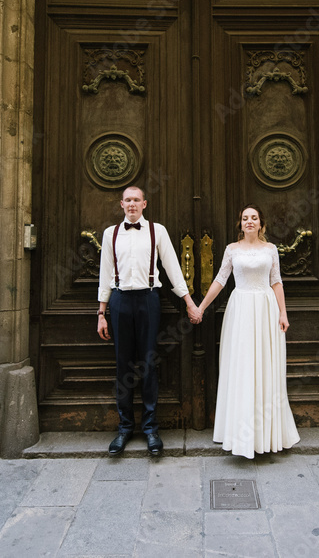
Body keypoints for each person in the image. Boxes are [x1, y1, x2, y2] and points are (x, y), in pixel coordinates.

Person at [190, 205, 300, 459]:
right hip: (240, 311)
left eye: (254, 218)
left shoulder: (270, 250)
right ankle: (240, 434)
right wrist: (201, 307)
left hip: (265, 310)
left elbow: (276, 281)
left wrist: (283, 313)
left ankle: (267, 434)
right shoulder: (232, 249)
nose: (249, 221)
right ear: (240, 224)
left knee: (265, 368)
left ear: (261, 223)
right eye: (245, 218)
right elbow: (220, 279)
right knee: (242, 368)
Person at [97, 185, 198, 456]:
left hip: (149, 300)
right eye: (127, 200)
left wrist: (188, 302)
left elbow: (173, 268)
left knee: (148, 363)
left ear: (144, 204)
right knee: (123, 364)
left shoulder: (158, 231)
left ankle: (151, 429)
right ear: (121, 204)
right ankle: (125, 428)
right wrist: (101, 313)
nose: (132, 204)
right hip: (119, 301)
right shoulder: (111, 234)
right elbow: (105, 272)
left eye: (136, 200)